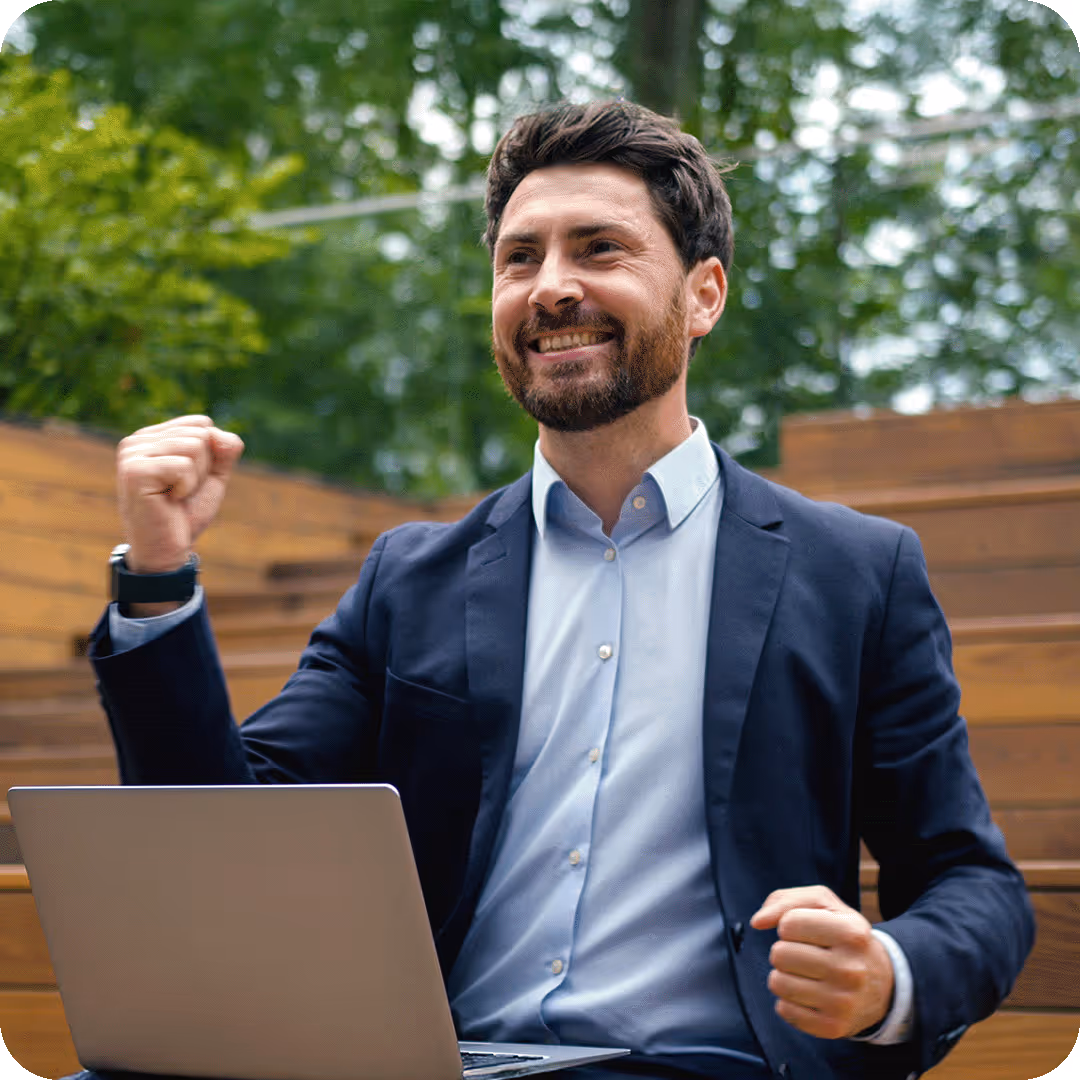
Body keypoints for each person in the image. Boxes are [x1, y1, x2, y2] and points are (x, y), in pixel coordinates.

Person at [84, 100, 1033, 1080]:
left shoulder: (858, 574)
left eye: (599, 249)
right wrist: (158, 579)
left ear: (704, 295)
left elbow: (974, 886)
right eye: (519, 259)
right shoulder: (410, 579)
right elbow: (218, 840)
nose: (551, 288)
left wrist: (887, 974)